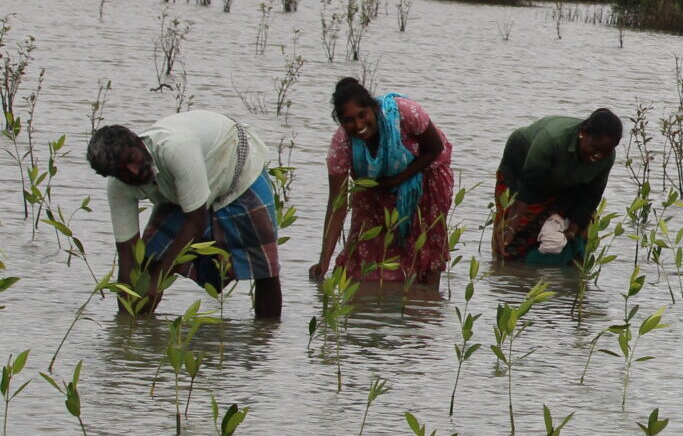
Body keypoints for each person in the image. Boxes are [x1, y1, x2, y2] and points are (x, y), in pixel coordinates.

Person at [86, 113, 284, 320]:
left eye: (132, 159)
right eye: (122, 172)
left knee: (264, 269)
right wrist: (125, 316)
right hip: (182, 192)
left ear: (138, 141)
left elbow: (196, 222)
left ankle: (265, 339)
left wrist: (158, 282)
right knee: (147, 262)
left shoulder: (175, 150)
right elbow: (127, 253)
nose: (134, 172)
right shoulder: (119, 188)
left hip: (236, 168)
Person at [313, 77, 455, 285]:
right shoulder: (342, 145)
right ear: (341, 123)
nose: (359, 125)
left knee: (422, 252)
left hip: (426, 176)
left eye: (363, 115)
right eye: (349, 120)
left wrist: (397, 180)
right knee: (364, 255)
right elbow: (337, 203)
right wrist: (323, 261)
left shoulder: (405, 113)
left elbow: (435, 148)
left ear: (374, 108)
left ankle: (424, 301)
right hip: (376, 185)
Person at [492, 108, 622, 265]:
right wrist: (510, 229)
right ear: (583, 133)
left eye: (606, 152)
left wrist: (572, 231)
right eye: (595, 149)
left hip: (567, 183)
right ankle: (511, 274)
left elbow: (591, 195)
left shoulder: (606, 157)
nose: (598, 157)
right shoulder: (551, 139)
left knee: (578, 237)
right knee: (513, 239)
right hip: (521, 171)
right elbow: (528, 187)